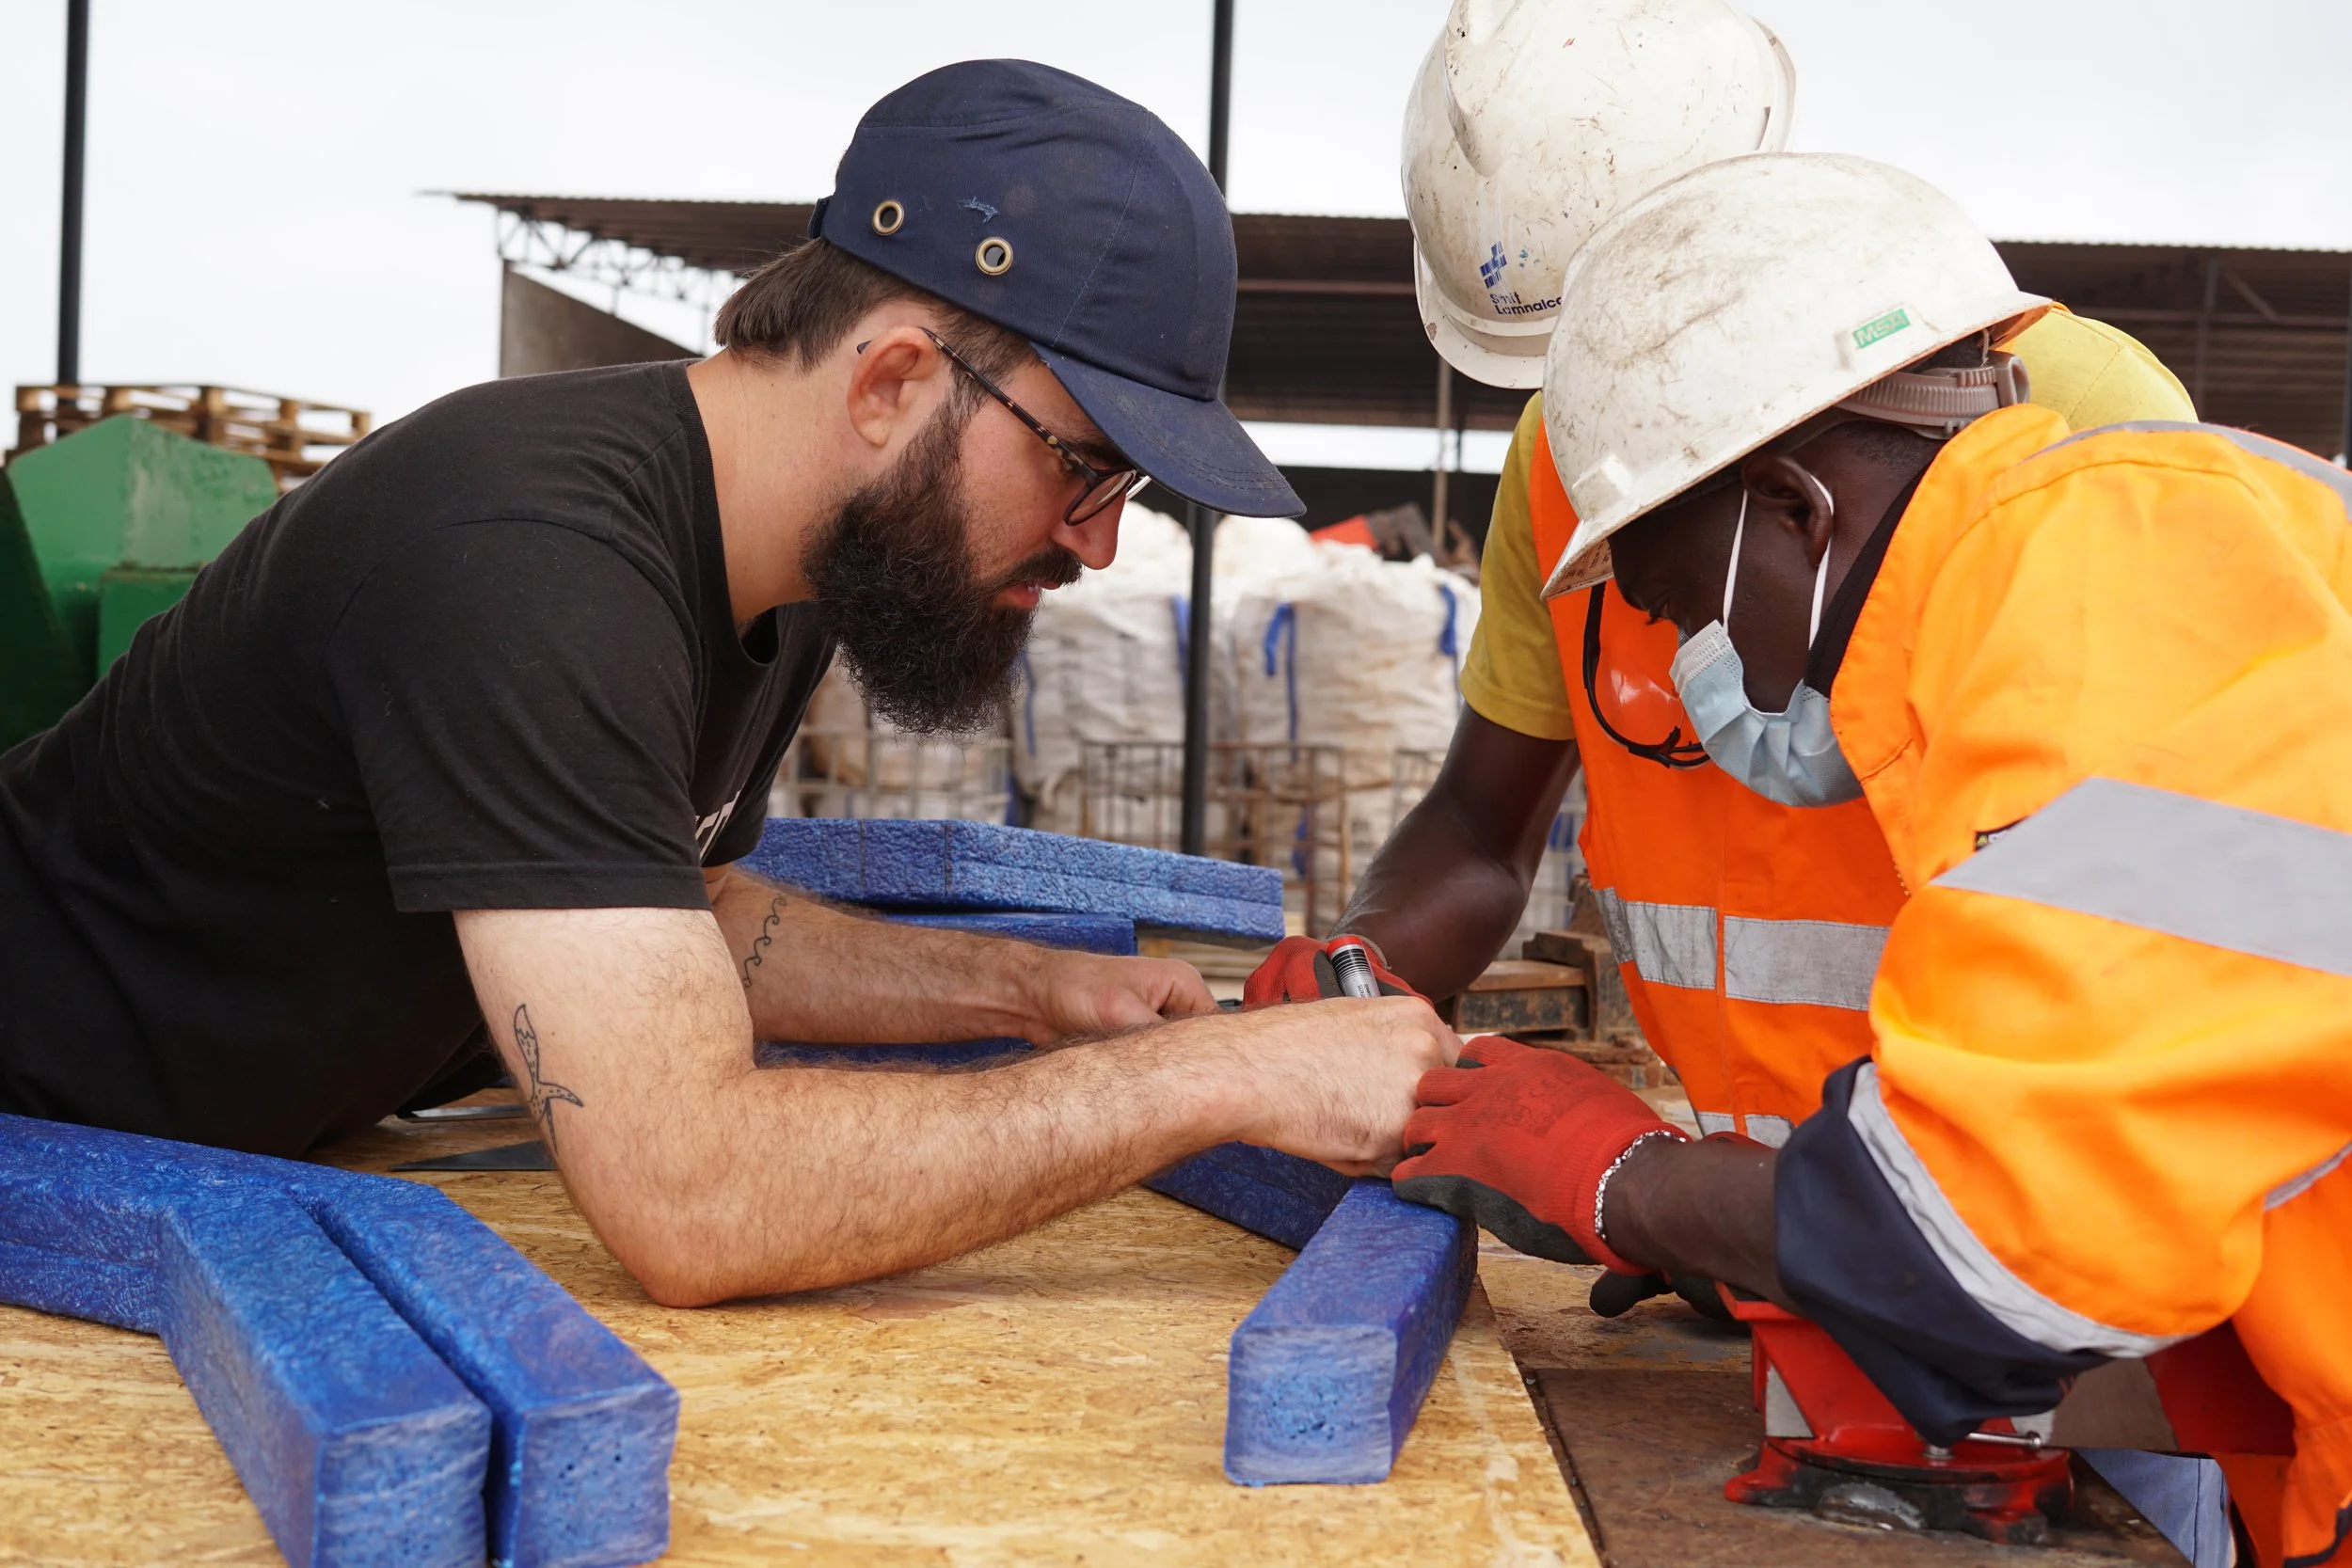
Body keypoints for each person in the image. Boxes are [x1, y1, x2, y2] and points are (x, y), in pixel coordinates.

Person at [0, 61, 1460, 1306]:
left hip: (204, 1155)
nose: (1099, 536)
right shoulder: (526, 557)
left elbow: (676, 909)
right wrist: (1219, 1082)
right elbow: (691, 1195)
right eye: (1083, 464)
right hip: (39, 1140)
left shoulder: (794, 569)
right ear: (890, 384)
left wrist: (1037, 991)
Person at [1391, 150, 2352, 1568]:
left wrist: (1617, 1171)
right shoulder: (2117, 544)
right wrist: (1765, 1242)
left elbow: (1994, 1250)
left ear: (1794, 508)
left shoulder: (2083, 611)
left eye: (1676, 602)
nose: (1704, 665)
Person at [1254, 0, 2187, 1183]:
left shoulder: (2057, 412)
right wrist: (1359, 967)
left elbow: (2151, 972)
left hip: (1991, 1223)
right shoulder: (1558, 470)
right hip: (1778, 1219)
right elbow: (1481, 827)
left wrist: (1658, 1195)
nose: (1599, 418)